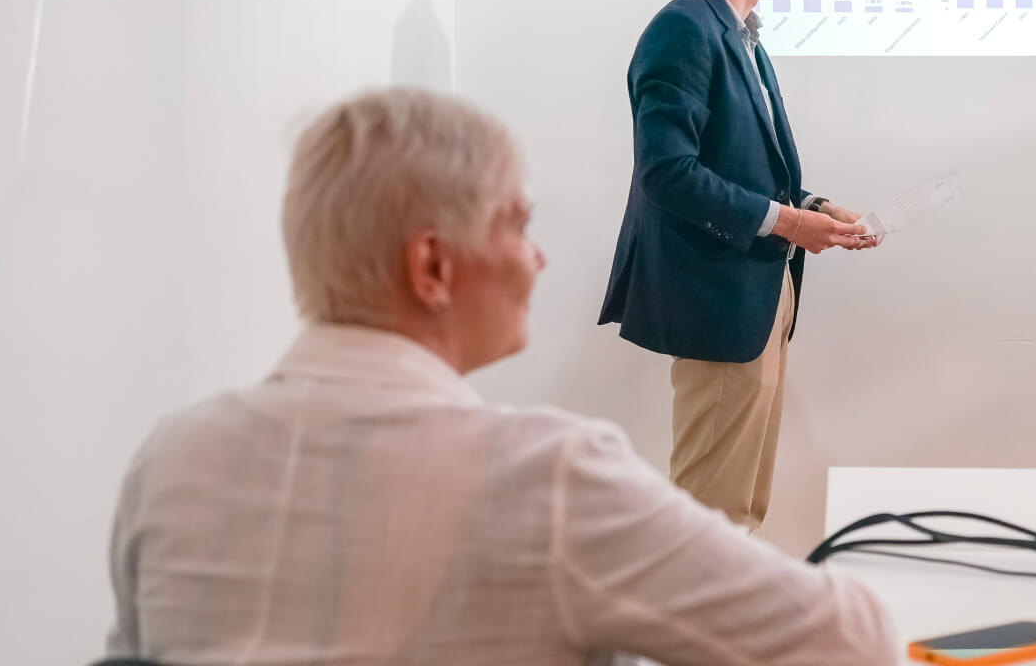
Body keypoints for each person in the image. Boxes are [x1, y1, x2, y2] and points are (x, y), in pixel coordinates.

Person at [105, 88, 895, 665]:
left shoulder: (170, 462)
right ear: (433, 266)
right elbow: (851, 641)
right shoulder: (549, 479)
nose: (538, 257)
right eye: (517, 224)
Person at [600, 0, 878, 530]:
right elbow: (667, 172)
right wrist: (785, 223)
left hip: (757, 298)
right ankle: (688, 634)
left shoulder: (740, 34)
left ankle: (726, 630)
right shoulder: (683, 31)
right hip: (717, 303)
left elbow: (740, 164)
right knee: (708, 518)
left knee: (740, 509)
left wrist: (809, 211)